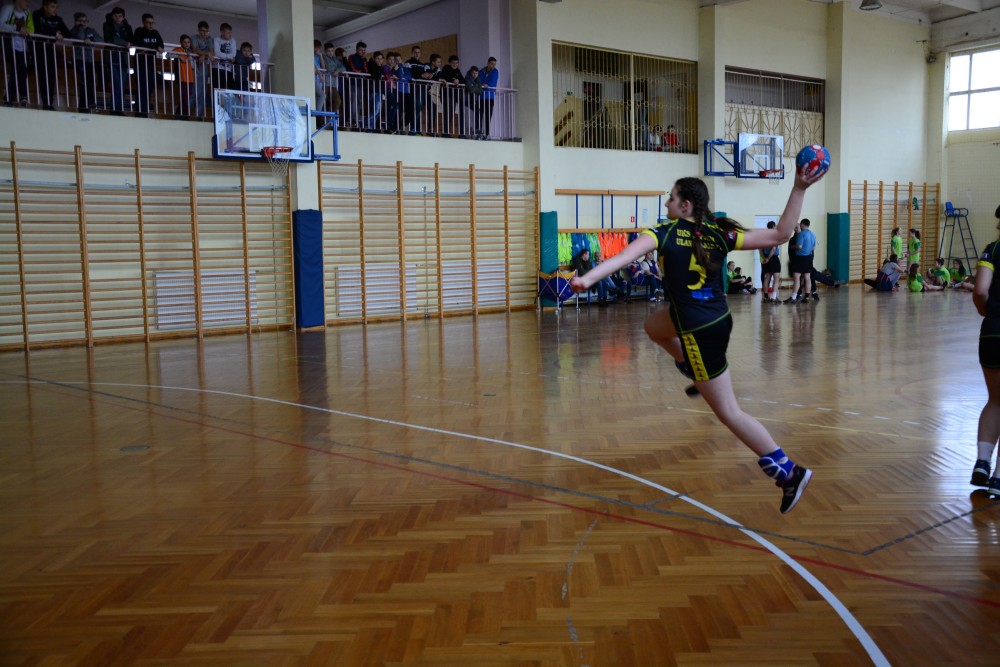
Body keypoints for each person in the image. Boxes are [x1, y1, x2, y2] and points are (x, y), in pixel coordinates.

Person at [569, 164, 826, 513]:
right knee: (653, 327)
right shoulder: (719, 232)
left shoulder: (663, 232)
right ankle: (689, 366)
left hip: (697, 331)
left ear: (685, 205)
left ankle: (788, 472)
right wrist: (799, 188)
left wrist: (587, 279)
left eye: (672, 198)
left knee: (729, 411)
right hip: (713, 319)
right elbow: (781, 234)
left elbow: (624, 257)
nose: (667, 203)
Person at [970, 204, 1000, 498]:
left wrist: (987, 313)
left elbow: (980, 291)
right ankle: (999, 478)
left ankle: (982, 462)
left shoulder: (992, 250)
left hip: (991, 332)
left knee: (995, 401)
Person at [31, 0, 70, 111]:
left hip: (50, 50)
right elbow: (37, 30)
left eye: (56, 7)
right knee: (42, 75)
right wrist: (54, 34)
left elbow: (68, 33)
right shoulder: (37, 15)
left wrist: (60, 34)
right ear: (45, 7)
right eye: (52, 7)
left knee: (50, 76)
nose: (55, 9)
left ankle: (49, 103)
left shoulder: (57, 19)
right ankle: (44, 102)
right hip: (37, 49)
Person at [1, 0, 33, 107]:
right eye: (26, 0)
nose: (28, 3)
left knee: (20, 69)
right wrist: (16, 28)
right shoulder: (8, 9)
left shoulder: (27, 13)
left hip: (23, 47)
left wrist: (26, 30)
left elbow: (32, 29)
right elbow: (1, 25)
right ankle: (22, 95)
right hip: (9, 45)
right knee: (19, 67)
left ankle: (10, 98)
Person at [131, 13, 163, 117]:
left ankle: (145, 111)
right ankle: (139, 112)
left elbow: (161, 46)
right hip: (140, 64)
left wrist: (153, 47)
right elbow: (137, 43)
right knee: (141, 88)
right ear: (143, 23)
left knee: (149, 88)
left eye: (152, 22)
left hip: (151, 64)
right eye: (148, 22)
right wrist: (153, 46)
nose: (151, 25)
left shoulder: (155, 33)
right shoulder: (139, 31)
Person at [101, 7, 132, 115]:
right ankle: (114, 108)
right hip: (112, 55)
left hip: (123, 57)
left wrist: (125, 42)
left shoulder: (127, 27)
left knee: (122, 84)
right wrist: (125, 43)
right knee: (116, 82)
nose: (118, 18)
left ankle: (119, 108)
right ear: (112, 16)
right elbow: (110, 39)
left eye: (120, 16)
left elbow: (131, 40)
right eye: (115, 16)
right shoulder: (107, 25)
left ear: (123, 17)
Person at [69, 11, 101, 113]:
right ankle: (89, 102)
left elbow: (100, 39)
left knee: (89, 81)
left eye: (85, 21)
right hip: (79, 59)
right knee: (86, 80)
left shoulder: (91, 30)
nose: (83, 23)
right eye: (80, 21)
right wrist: (80, 28)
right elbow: (79, 37)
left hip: (89, 60)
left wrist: (91, 38)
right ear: (76, 22)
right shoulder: (74, 30)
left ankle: (84, 106)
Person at [785, 218, 816, 303]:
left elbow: (799, 246)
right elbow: (813, 248)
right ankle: (806, 297)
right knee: (807, 278)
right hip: (809, 258)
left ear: (802, 224)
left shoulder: (801, 234)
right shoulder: (812, 234)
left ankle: (793, 297)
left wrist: (793, 247)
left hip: (800, 258)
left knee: (796, 277)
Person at [190, 21, 213, 118]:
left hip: (204, 65)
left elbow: (212, 51)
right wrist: (205, 54)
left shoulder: (209, 39)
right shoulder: (194, 38)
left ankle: (199, 114)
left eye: (206, 31)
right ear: (199, 30)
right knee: (195, 91)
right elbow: (194, 50)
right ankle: (186, 112)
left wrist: (204, 55)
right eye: (202, 31)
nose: (204, 33)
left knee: (203, 91)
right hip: (195, 64)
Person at [171, 34, 196, 118]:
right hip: (181, 77)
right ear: (181, 43)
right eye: (184, 42)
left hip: (190, 78)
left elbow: (193, 65)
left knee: (187, 98)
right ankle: (182, 115)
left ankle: (180, 115)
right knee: (184, 98)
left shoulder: (190, 52)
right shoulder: (177, 50)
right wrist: (179, 56)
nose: (186, 44)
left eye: (188, 42)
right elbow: (168, 55)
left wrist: (189, 56)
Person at [759, 221, 781, 303]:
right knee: (776, 278)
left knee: (767, 278)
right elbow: (774, 249)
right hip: (773, 258)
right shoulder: (774, 236)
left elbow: (760, 250)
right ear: (774, 226)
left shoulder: (764, 237)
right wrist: (768, 258)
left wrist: (765, 258)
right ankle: (774, 298)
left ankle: (765, 297)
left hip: (765, 257)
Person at [478, 56, 498, 138]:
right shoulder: (481, 71)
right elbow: (479, 81)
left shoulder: (495, 72)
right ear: (488, 63)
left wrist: (486, 85)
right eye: (492, 64)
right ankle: (479, 133)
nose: (493, 66)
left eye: (494, 64)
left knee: (488, 116)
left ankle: (487, 134)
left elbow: (493, 83)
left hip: (490, 97)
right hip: (481, 97)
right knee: (479, 115)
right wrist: (483, 84)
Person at [213, 22, 236, 92]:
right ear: (222, 32)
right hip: (217, 68)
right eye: (228, 33)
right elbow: (217, 53)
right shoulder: (216, 40)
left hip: (228, 69)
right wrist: (229, 57)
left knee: (231, 87)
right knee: (217, 87)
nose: (230, 34)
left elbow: (233, 54)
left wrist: (225, 57)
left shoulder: (232, 41)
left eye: (230, 32)